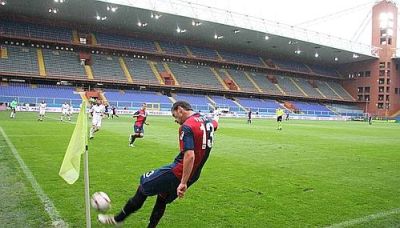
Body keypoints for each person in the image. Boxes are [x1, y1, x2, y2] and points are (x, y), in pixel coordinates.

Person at [98, 101, 219, 227]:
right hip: (194, 175)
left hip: (179, 171)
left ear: (180, 110)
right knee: (162, 198)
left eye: (174, 116)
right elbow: (216, 124)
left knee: (143, 184)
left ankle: (118, 219)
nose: (175, 120)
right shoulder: (208, 121)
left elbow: (190, 155)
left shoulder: (187, 126)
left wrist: (183, 182)